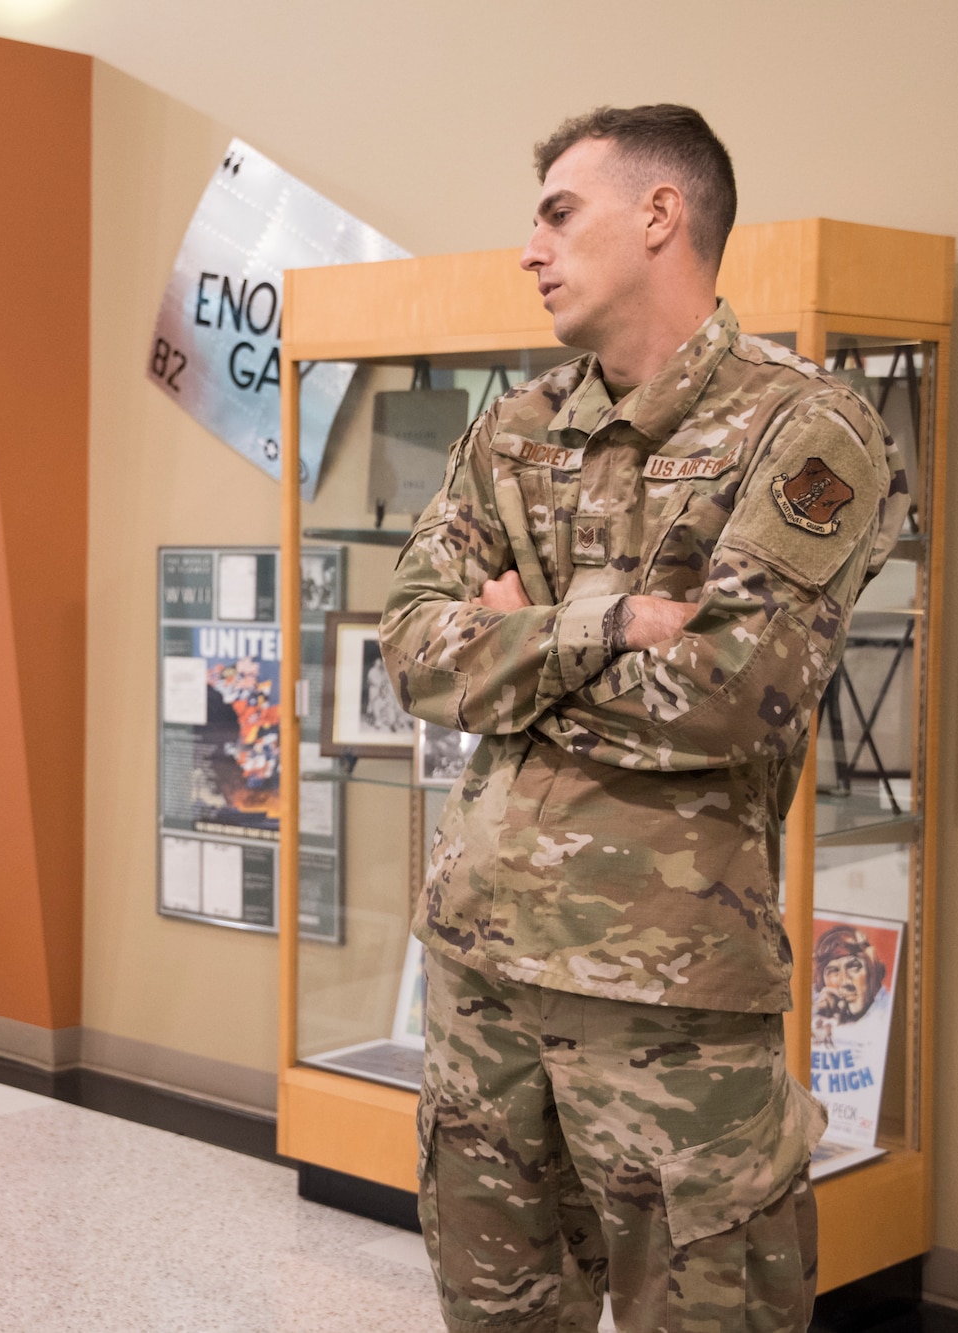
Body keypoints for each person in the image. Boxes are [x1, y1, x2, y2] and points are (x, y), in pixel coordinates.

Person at [380, 105, 909, 1333]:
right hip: (478, 981)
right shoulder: (510, 431)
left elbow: (729, 696)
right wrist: (600, 624)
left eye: (558, 213)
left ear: (660, 215)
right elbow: (410, 656)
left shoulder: (803, 428)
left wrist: (511, 638)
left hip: (668, 1006)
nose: (530, 248)